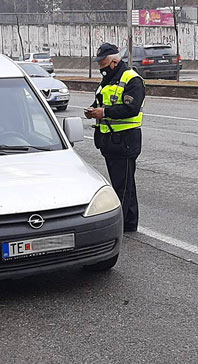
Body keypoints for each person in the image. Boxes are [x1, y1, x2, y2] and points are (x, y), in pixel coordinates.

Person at [84, 43, 146, 233]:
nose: (100, 68)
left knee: (122, 187)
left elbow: (131, 108)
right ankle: (129, 224)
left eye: (103, 63)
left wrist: (103, 112)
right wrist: (93, 110)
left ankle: (119, 226)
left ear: (115, 61)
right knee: (125, 184)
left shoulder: (131, 80)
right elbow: (100, 102)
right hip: (110, 141)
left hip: (125, 141)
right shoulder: (108, 80)